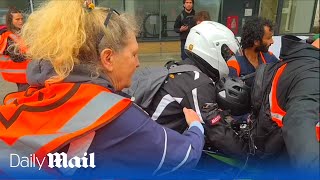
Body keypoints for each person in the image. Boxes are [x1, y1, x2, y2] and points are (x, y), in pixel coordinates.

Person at [0, 0, 205, 178]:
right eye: (133, 54)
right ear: (108, 58)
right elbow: (184, 156)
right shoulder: (114, 116)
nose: (138, 63)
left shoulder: (40, 91)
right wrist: (196, 126)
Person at [145, 21, 248, 157]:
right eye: (225, 54)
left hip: (152, 139)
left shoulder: (181, 68)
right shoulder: (199, 83)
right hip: (155, 154)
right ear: (211, 49)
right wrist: (247, 154)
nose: (227, 59)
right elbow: (217, 133)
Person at [249, 35, 319, 177]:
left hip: (274, 155)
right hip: (286, 163)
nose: (272, 41)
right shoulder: (312, 73)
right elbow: (298, 123)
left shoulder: (296, 62)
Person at [227, 17, 279, 87]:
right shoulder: (234, 63)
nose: (272, 41)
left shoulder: (270, 58)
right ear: (256, 42)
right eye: (268, 38)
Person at [0, 7, 29, 91]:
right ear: (10, 21)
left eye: (22, 19)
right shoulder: (9, 36)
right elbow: (17, 57)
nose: (21, 21)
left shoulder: (19, 34)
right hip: (22, 76)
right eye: (17, 19)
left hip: (26, 74)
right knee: (25, 96)